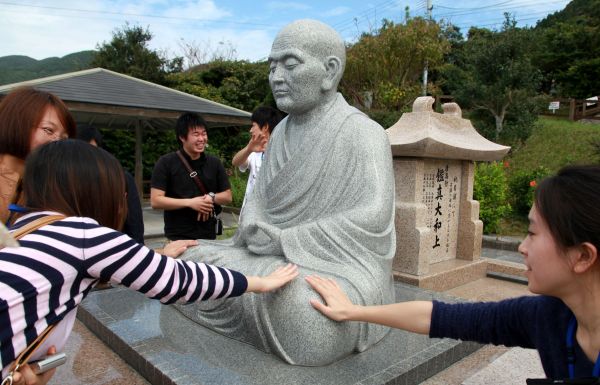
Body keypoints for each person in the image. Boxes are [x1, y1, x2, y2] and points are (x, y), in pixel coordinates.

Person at [176, 19, 395, 366]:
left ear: (329, 71)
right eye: (272, 66)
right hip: (267, 258)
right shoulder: (279, 137)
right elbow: (257, 200)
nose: (276, 76)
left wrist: (285, 240)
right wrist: (255, 228)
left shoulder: (363, 134)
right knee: (188, 263)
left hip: (338, 266)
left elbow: (374, 214)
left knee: (303, 308)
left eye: (289, 64)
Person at [0, 140, 298, 385]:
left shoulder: (19, 228)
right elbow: (178, 281)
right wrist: (258, 282)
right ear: (94, 191)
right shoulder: (82, 233)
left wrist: (154, 258)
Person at [308, 164, 600, 382]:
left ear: (583, 256)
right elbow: (441, 317)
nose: (522, 247)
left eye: (532, 233)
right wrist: (353, 311)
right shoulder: (548, 317)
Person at [150, 112, 232, 241]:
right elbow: (156, 200)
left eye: (204, 133)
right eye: (196, 134)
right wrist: (190, 203)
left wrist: (211, 197)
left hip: (208, 236)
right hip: (178, 237)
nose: (201, 139)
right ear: (182, 137)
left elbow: (227, 196)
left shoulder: (214, 163)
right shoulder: (166, 163)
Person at [0, 87, 76, 224]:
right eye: (49, 130)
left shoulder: (48, 191)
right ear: (17, 122)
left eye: (64, 138)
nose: (57, 141)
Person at [75, 124, 145, 244]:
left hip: (117, 248)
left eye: (91, 150)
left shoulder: (121, 178)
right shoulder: (65, 183)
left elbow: (135, 223)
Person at [231, 106, 283, 210]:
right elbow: (235, 162)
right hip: (250, 212)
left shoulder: (282, 151)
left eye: (253, 125)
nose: (250, 130)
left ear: (265, 127)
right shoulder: (254, 151)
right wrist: (249, 149)